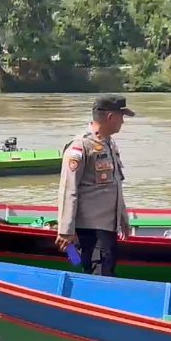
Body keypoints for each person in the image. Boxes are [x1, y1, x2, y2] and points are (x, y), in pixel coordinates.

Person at [55, 95, 133, 276]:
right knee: (98, 273)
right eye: (122, 116)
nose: (123, 122)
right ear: (110, 117)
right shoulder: (80, 147)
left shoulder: (109, 144)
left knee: (107, 269)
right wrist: (66, 230)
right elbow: (68, 189)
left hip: (108, 226)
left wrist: (123, 218)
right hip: (90, 228)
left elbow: (115, 185)